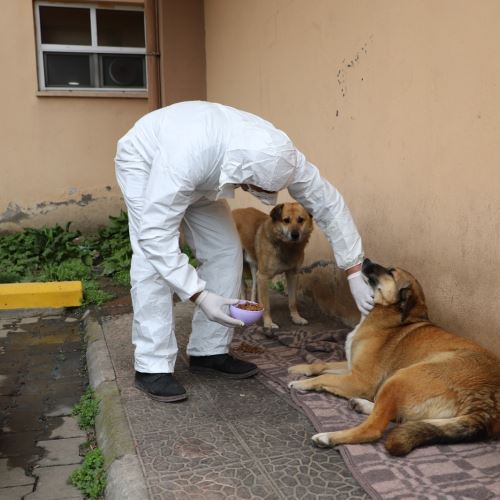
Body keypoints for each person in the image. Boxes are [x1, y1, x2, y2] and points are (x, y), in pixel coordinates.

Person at [115, 101, 374, 402]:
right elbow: (154, 235)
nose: (248, 190)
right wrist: (199, 294)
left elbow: (326, 202)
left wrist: (354, 269)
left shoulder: (281, 155)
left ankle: (208, 352)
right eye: (248, 185)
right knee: (152, 259)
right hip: (147, 161)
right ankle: (152, 366)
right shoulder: (187, 156)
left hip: (203, 174)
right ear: (239, 171)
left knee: (226, 250)